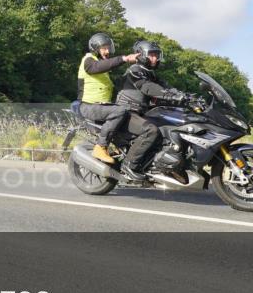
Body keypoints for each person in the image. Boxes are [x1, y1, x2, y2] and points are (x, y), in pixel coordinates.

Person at [116, 40, 188, 182]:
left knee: (167, 127)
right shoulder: (135, 70)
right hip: (127, 112)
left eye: (156, 55)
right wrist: (170, 95)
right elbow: (147, 87)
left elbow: (165, 86)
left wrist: (184, 95)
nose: (155, 58)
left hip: (140, 112)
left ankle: (161, 165)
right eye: (152, 55)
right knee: (151, 130)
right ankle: (129, 165)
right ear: (141, 54)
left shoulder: (150, 73)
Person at [77, 33, 139, 167]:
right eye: (104, 48)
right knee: (119, 111)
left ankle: (121, 150)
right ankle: (101, 147)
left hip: (100, 107)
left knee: (129, 111)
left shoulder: (102, 68)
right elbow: (97, 67)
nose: (107, 51)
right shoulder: (88, 61)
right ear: (95, 48)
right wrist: (124, 58)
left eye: (108, 48)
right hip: (88, 106)